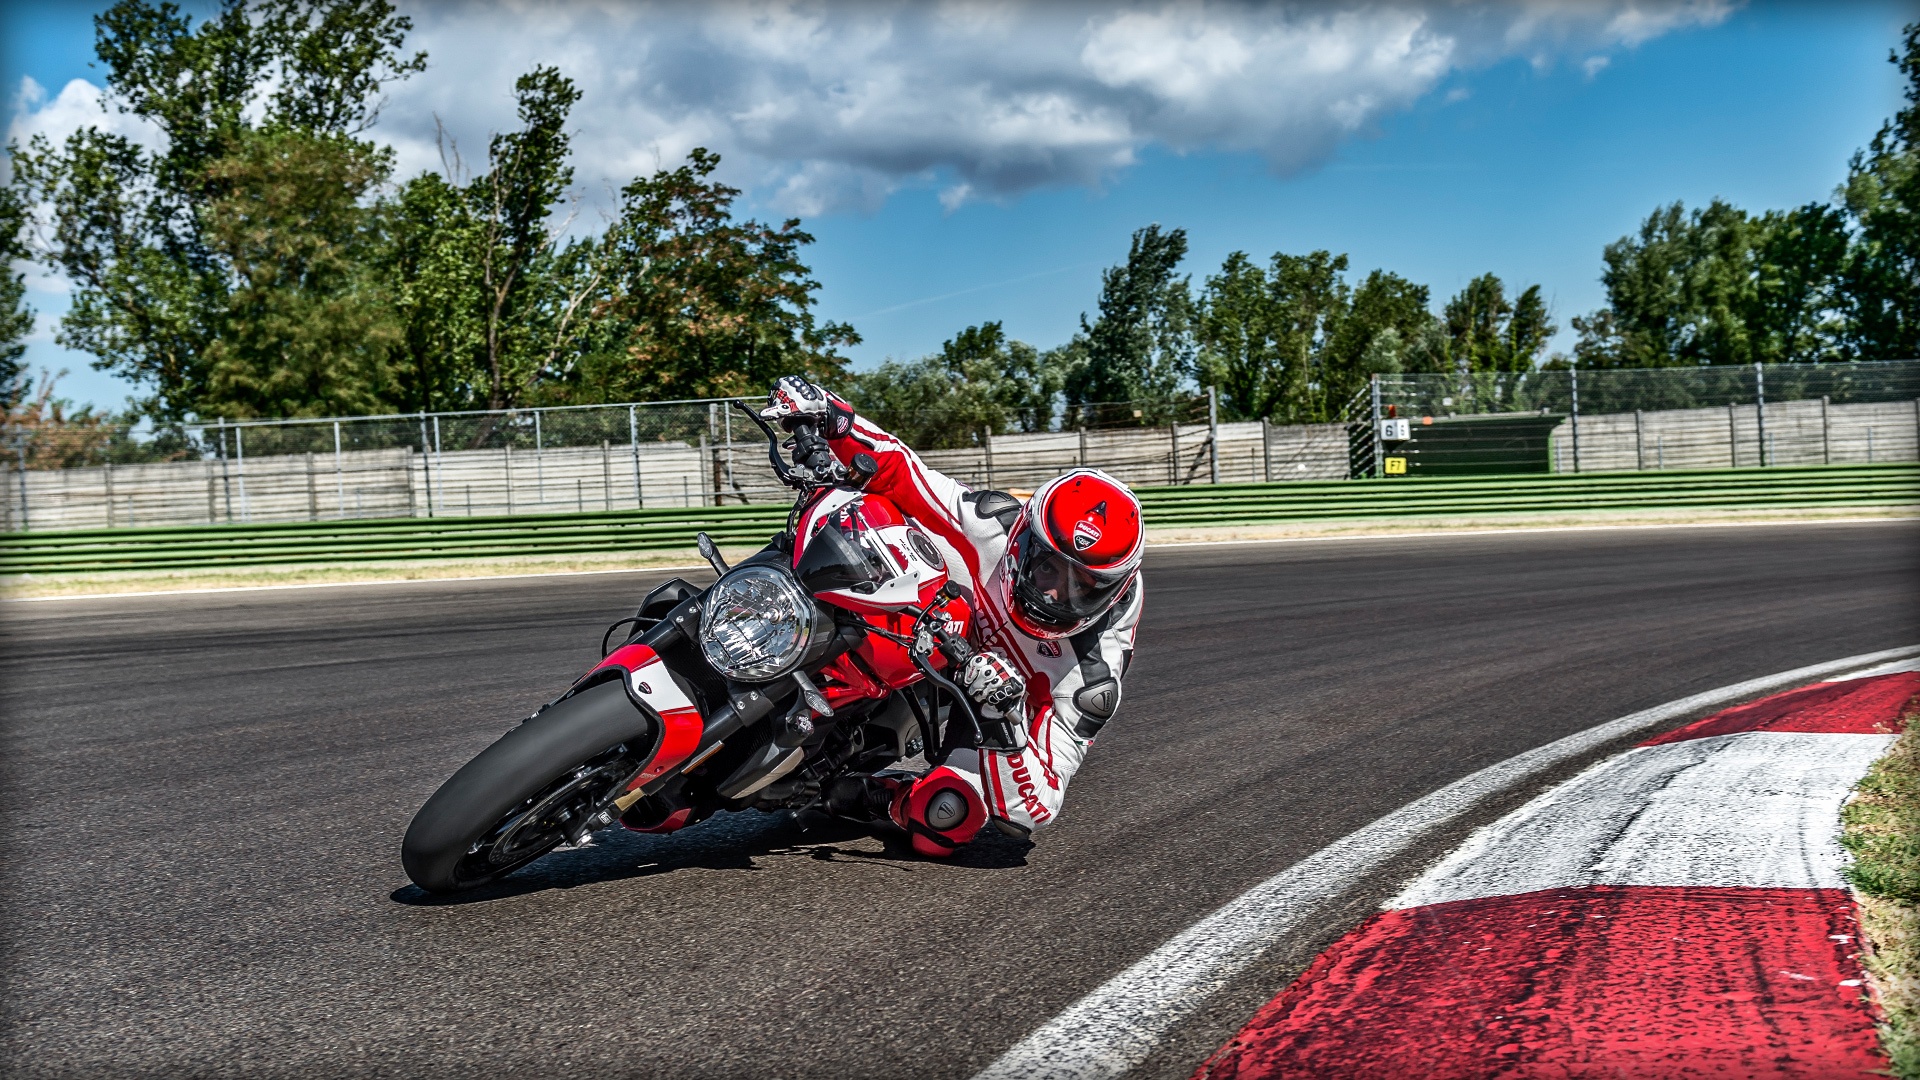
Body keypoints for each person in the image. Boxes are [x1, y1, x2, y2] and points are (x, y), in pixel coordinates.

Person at [759, 375, 1144, 856]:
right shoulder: (991, 526)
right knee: (859, 531)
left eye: (1081, 587)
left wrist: (1002, 717)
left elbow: (1037, 807)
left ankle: (872, 797)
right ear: (1024, 541)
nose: (1053, 594)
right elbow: (903, 472)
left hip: (988, 700)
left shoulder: (1092, 674)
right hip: (927, 625)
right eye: (1047, 567)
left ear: (1112, 591)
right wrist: (832, 415)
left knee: (947, 816)